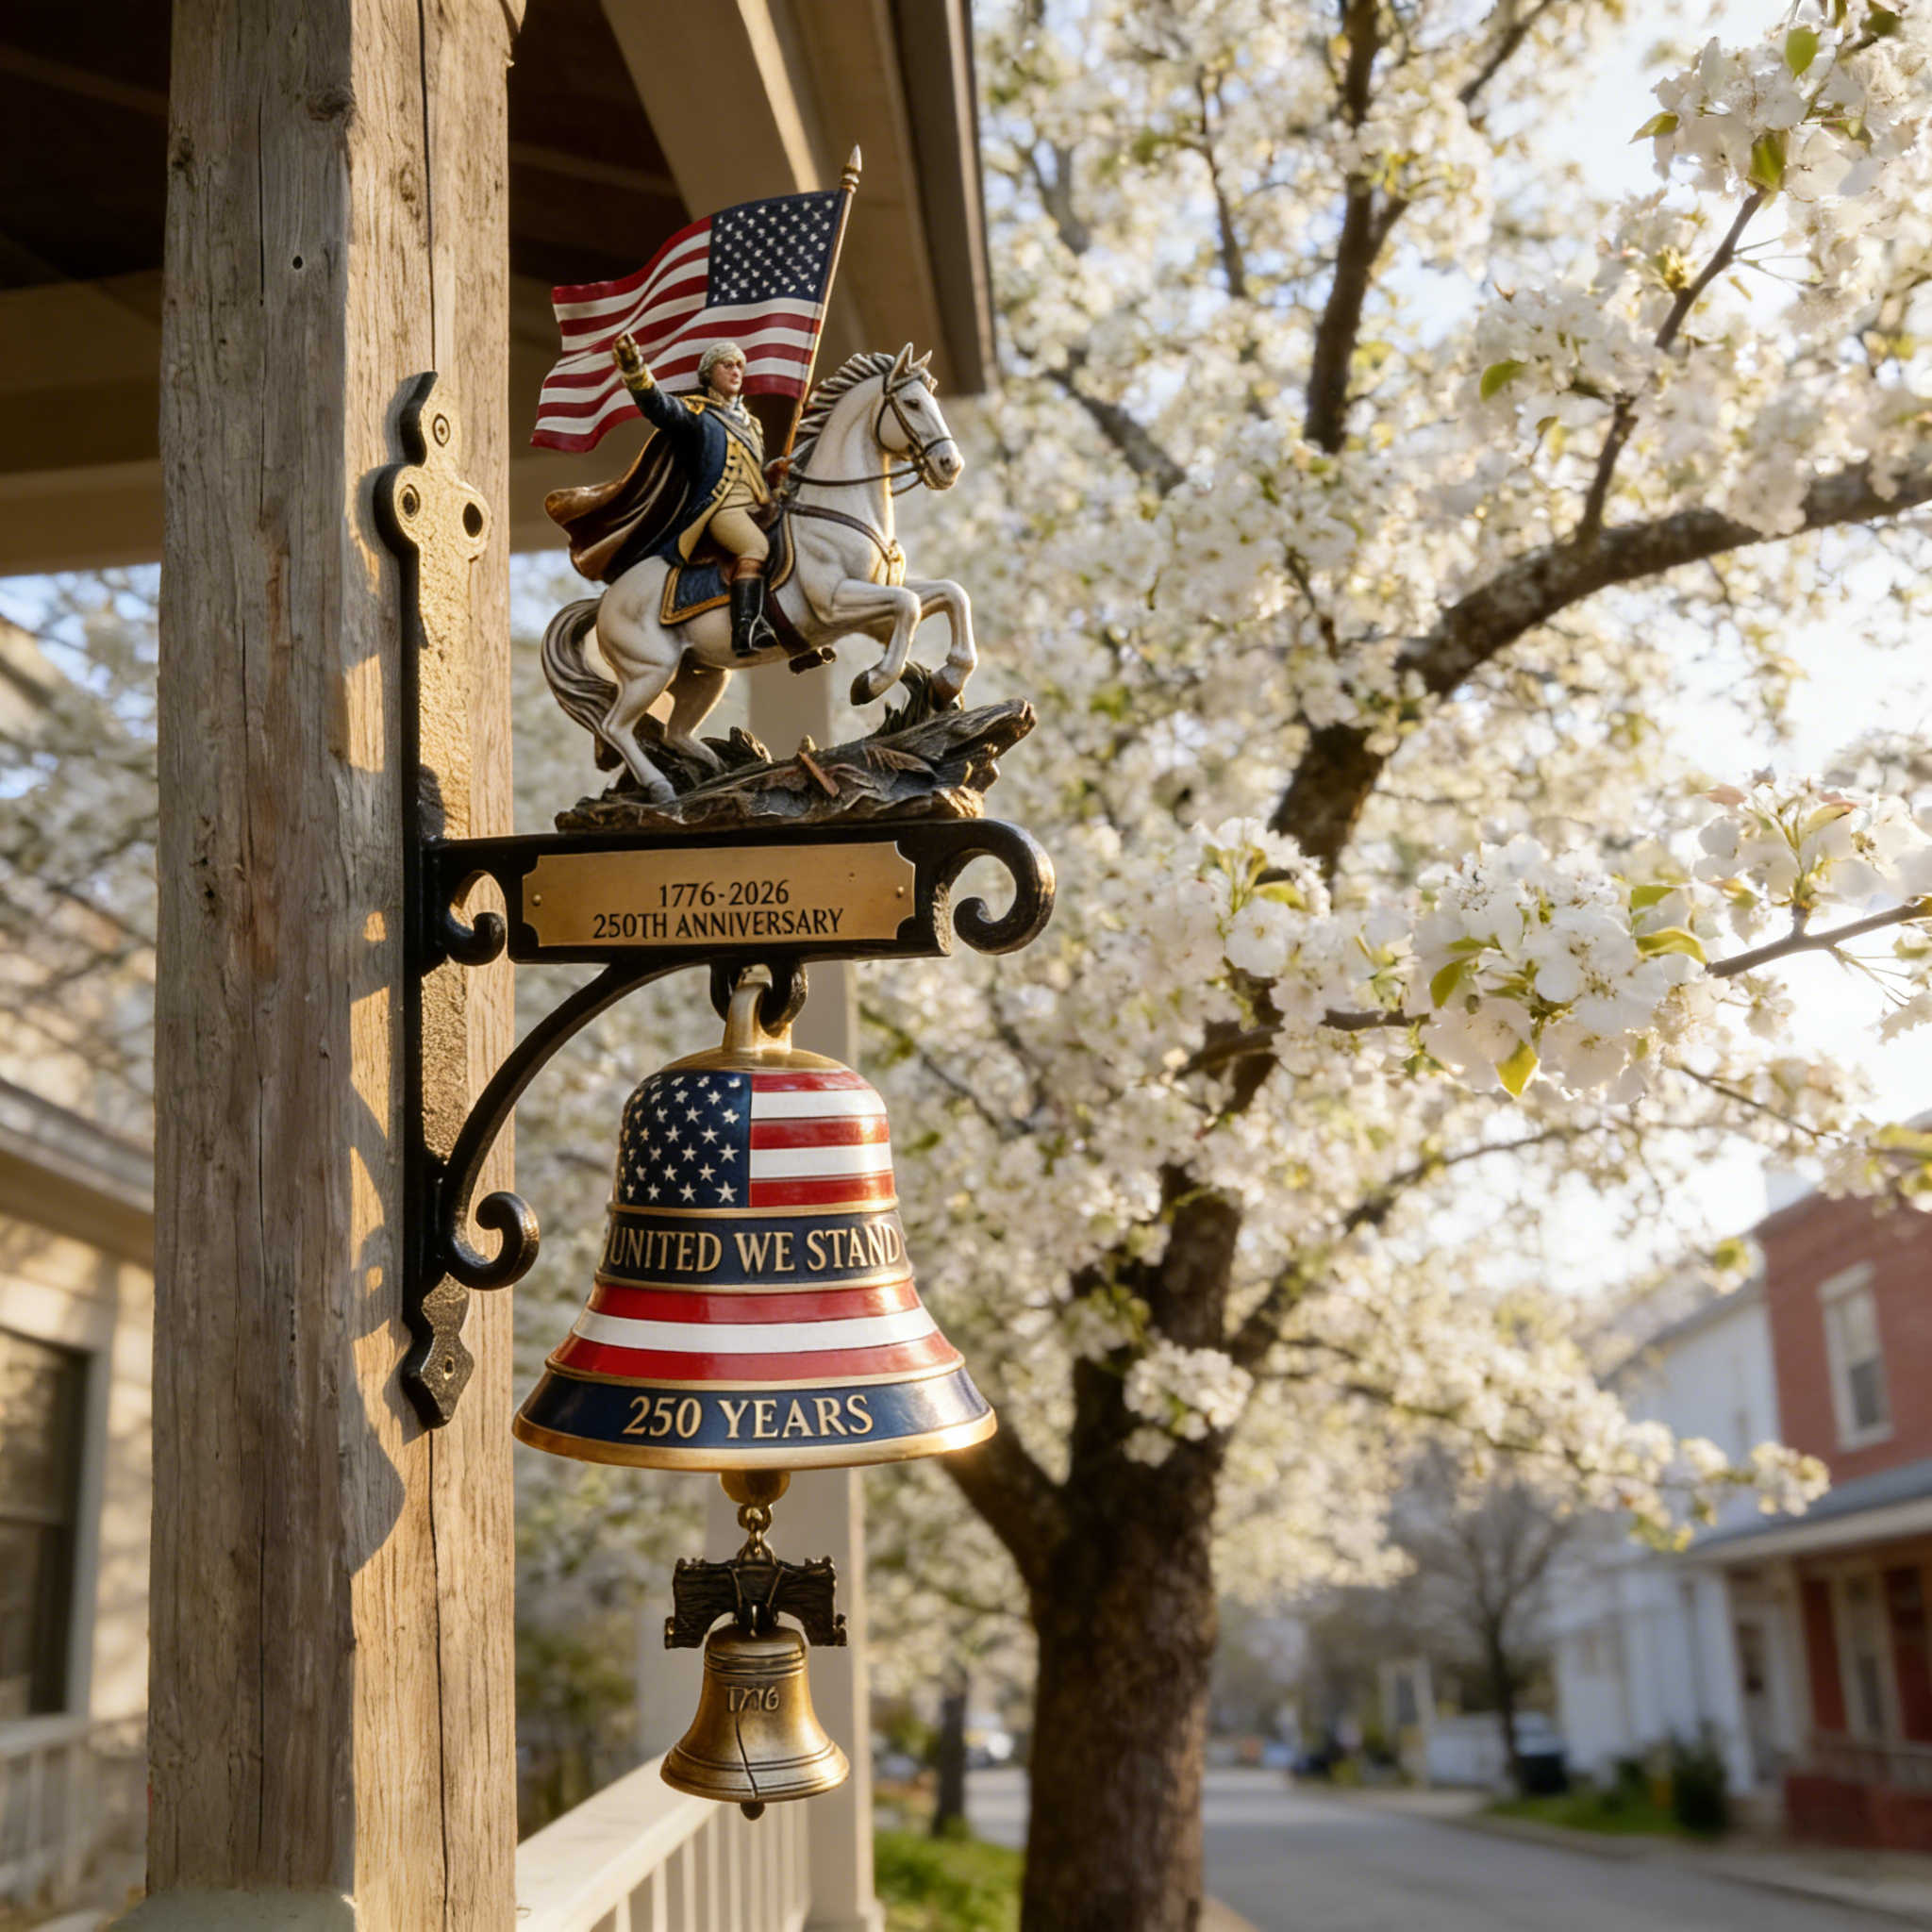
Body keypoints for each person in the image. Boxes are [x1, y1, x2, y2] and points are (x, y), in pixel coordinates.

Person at [613, 333, 776, 657]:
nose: (735, 371)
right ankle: (746, 628)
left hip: (758, 507)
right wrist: (635, 371)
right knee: (757, 546)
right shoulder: (698, 415)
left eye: (739, 366)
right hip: (722, 510)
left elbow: (755, 473)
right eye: (727, 365)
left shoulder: (752, 424)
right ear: (709, 374)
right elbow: (659, 407)